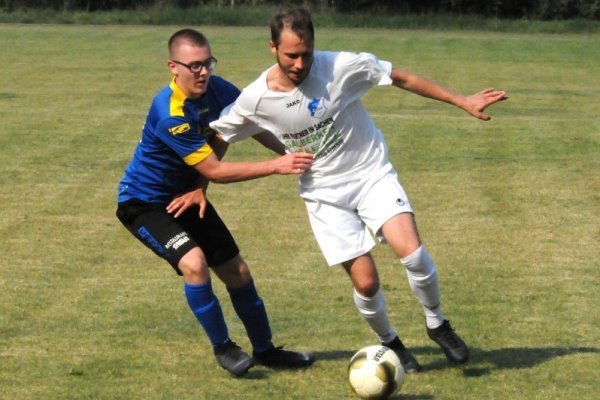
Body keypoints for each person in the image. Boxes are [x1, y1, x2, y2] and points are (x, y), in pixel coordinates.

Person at [209, 8, 508, 373]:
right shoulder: (255, 98)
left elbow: (401, 77)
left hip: (371, 173)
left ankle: (437, 323)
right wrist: (200, 185)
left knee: (411, 252)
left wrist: (462, 100)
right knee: (366, 283)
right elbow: (222, 135)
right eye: (291, 55)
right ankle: (390, 343)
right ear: (272, 48)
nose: (301, 63)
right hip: (324, 194)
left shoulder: (341, 66)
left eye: (306, 53)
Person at [116, 28, 315, 377]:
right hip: (143, 203)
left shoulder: (218, 89)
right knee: (194, 263)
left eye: (207, 63)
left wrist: (289, 151)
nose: (203, 72)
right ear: (172, 67)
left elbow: (252, 124)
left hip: (188, 196)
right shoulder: (170, 113)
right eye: (194, 66)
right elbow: (215, 169)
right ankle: (224, 348)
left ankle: (266, 350)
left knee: (237, 271)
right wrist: (277, 165)